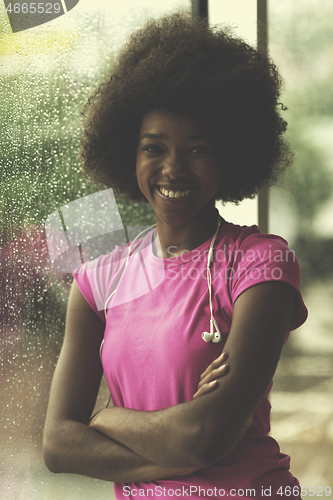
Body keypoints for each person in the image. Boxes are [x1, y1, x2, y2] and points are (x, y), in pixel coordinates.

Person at [43, 13, 308, 500]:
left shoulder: (261, 265)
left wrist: (105, 418)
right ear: (129, 154)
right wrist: (179, 455)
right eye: (154, 148)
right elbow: (59, 444)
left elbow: (204, 435)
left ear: (229, 155)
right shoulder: (96, 282)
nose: (173, 168)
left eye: (197, 149)